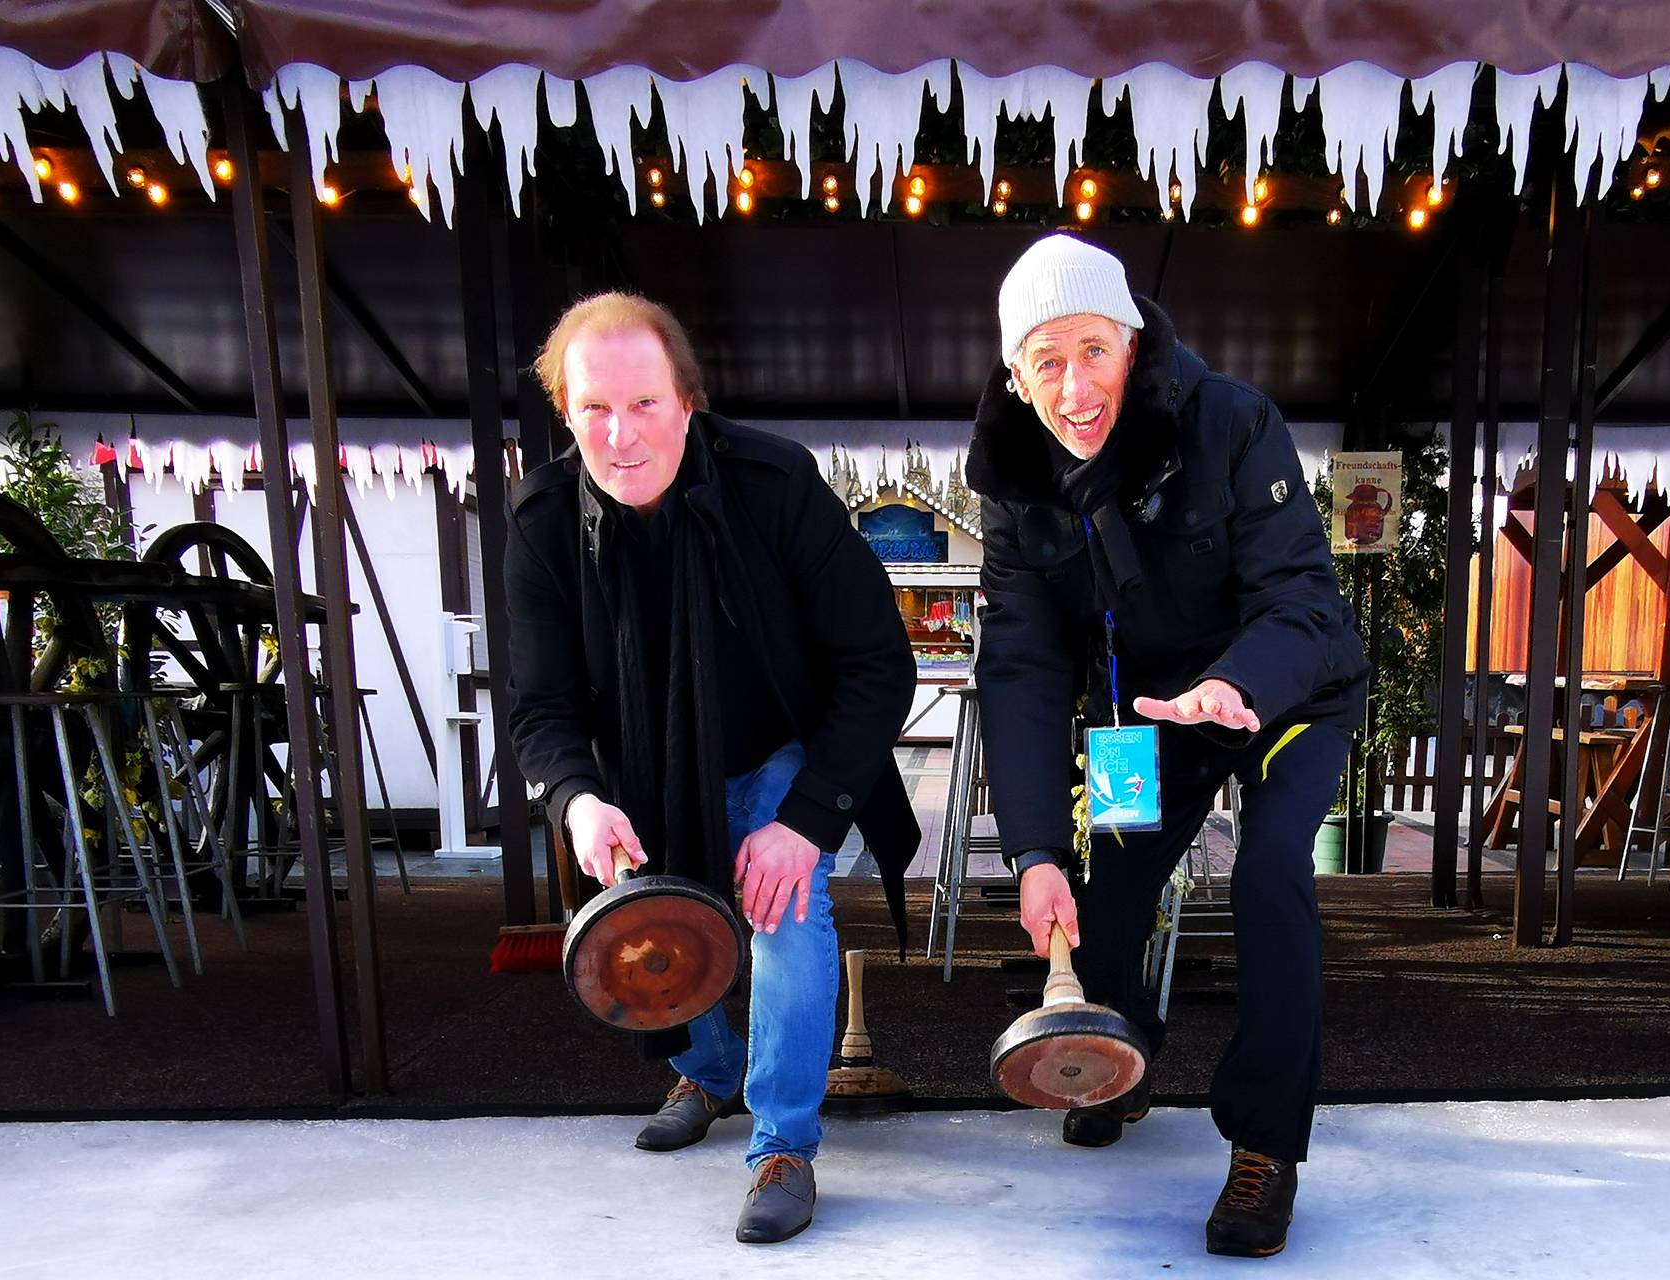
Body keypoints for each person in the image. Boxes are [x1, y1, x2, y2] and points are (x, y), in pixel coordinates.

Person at [967, 234, 1367, 1258]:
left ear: (1133, 345)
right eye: (1044, 361)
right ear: (1014, 377)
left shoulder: (1231, 419)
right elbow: (1019, 667)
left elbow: (1301, 600)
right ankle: (1118, 1048)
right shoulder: (1015, 484)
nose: (1073, 386)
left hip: (1275, 697)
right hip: (1138, 714)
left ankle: (1264, 1143)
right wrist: (1032, 854)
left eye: (1092, 351)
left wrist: (1233, 682)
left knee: (1270, 873)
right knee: (1101, 887)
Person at [500, 291, 918, 1245]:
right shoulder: (541, 523)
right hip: (642, 764)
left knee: (783, 907)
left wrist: (807, 818)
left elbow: (874, 662)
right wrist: (575, 800)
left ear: (687, 400)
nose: (620, 434)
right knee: (647, 916)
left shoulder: (775, 487)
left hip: (784, 745)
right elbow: (543, 707)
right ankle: (713, 1067)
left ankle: (781, 1144)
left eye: (643, 403)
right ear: (566, 412)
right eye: (593, 408)